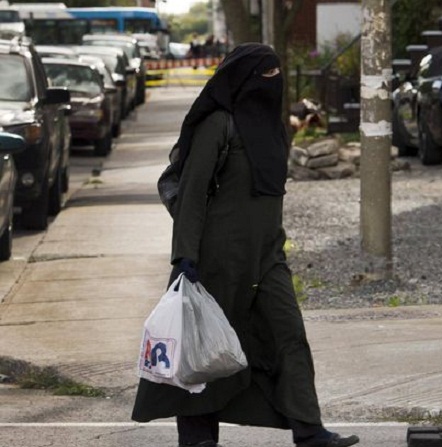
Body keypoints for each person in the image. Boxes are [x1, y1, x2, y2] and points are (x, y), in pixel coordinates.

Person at [131, 43, 360, 447]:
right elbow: (193, 190)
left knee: (288, 336)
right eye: (264, 75)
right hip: (215, 258)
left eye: (277, 74)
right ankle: (198, 438)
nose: (272, 82)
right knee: (202, 348)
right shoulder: (218, 123)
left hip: (268, 255)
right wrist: (185, 254)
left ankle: (309, 430)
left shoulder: (273, 127)